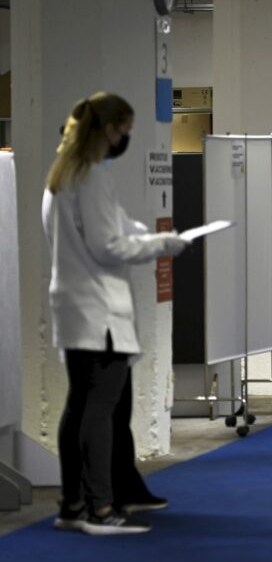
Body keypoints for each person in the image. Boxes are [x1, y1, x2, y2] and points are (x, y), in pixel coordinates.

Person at [42, 93, 190, 535]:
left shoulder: (61, 176)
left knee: (78, 406)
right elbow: (108, 246)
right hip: (99, 311)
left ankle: (72, 505)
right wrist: (161, 245)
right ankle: (101, 508)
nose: (124, 139)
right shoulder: (90, 177)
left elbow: (114, 227)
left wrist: (144, 235)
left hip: (73, 305)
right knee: (100, 410)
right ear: (108, 130)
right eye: (124, 131)